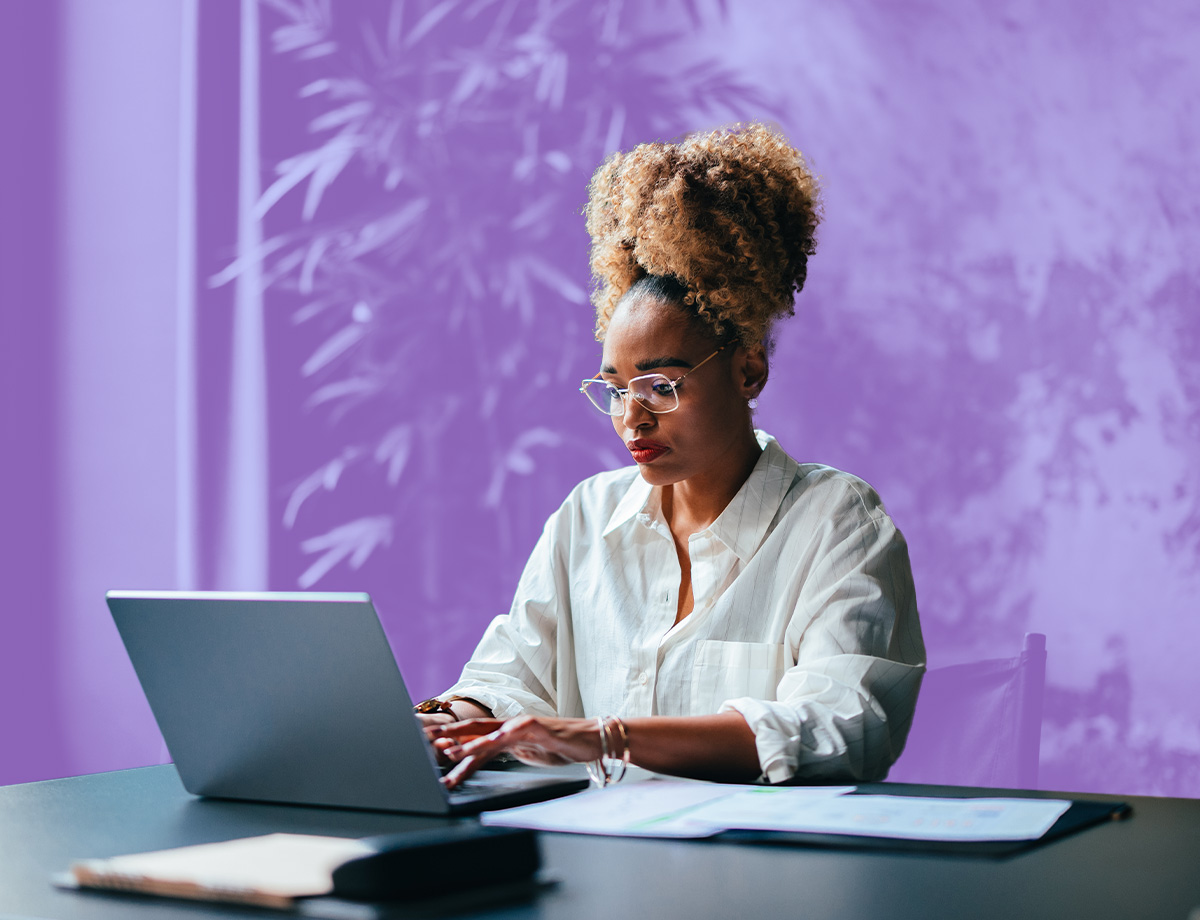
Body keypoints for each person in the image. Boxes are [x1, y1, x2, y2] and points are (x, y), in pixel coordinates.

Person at [418, 123, 925, 788]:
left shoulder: (837, 524)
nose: (631, 418)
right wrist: (450, 720)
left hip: (759, 877)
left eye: (661, 387)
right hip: (596, 863)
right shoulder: (586, 519)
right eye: (615, 390)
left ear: (748, 370)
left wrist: (605, 737)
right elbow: (510, 678)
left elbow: (840, 723)